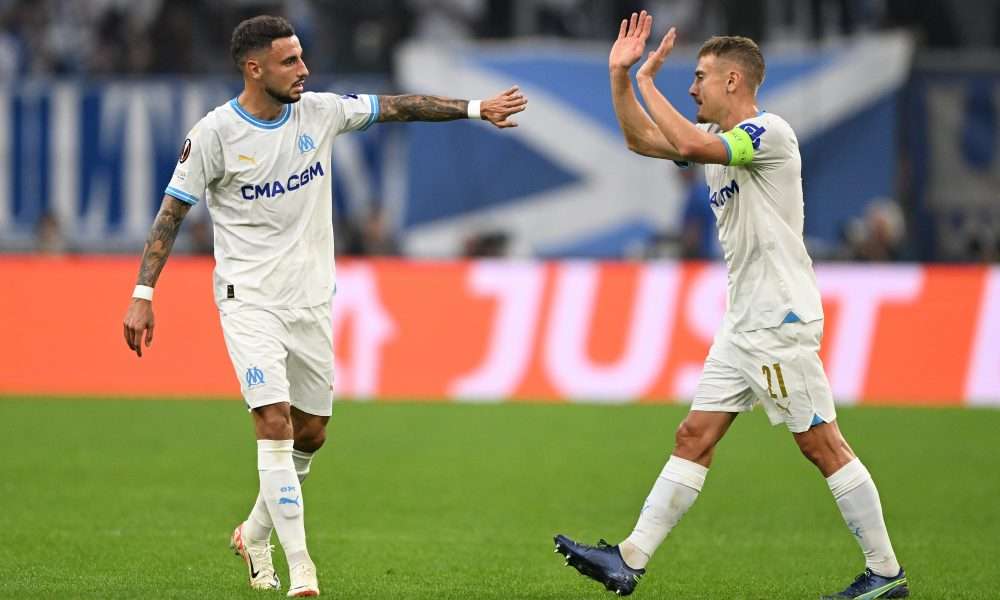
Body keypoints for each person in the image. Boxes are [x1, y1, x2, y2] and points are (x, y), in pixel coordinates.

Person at [121, 15, 526, 597]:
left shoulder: (321, 112)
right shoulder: (214, 134)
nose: (304, 69)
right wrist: (143, 294)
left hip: (311, 298)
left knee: (310, 433)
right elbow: (172, 212)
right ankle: (301, 568)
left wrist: (476, 108)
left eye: (302, 56)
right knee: (274, 422)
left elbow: (397, 107)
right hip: (248, 300)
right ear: (254, 68)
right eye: (289, 61)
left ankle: (253, 533)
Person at [554, 11, 907, 600]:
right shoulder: (718, 144)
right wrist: (619, 77)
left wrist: (647, 81)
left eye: (700, 77)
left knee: (821, 442)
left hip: (778, 317)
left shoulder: (769, 133)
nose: (692, 88)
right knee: (694, 435)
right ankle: (629, 559)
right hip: (743, 321)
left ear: (733, 81)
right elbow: (641, 140)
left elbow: (688, 142)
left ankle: (886, 572)